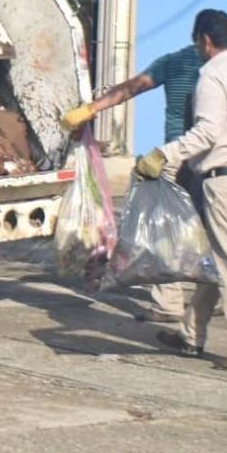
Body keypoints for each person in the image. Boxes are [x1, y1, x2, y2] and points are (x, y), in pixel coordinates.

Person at [136, 9, 227, 371]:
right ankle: (190, 335)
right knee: (220, 259)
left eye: (196, 40)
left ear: (205, 40)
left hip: (224, 181)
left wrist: (164, 153)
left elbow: (207, 133)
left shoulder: (212, 77)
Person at [62, 44, 203, 322]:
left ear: (199, 36)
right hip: (210, 159)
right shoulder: (223, 69)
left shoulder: (174, 61)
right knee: (210, 231)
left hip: (174, 155)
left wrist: (91, 109)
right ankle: (208, 297)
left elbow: (133, 87)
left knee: (163, 229)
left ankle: (168, 305)